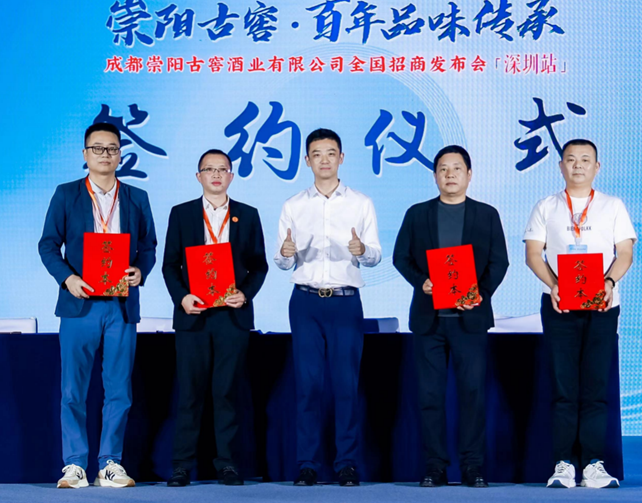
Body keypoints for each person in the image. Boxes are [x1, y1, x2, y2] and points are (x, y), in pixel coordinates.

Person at [39, 122, 157, 489]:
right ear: (85, 154)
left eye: (112, 148)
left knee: (119, 389)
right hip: (80, 304)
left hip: (121, 305)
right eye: (98, 148)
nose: (105, 154)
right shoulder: (66, 194)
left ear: (120, 154)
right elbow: (48, 244)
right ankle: (74, 464)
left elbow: (149, 245)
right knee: (73, 390)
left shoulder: (137, 197)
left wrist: (141, 270)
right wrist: (67, 278)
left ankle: (110, 463)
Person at [393, 145, 509, 488]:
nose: (450, 175)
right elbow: (401, 257)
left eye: (457, 168)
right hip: (429, 321)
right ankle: (435, 466)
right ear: (435, 176)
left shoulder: (486, 214)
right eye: (443, 169)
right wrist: (422, 281)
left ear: (469, 175)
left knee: (472, 395)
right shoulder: (417, 214)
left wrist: (479, 294)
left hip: (469, 321)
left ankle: (473, 466)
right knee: (430, 396)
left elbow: (499, 262)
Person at [523, 139, 636, 489]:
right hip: (560, 304)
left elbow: (625, 252)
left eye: (585, 160)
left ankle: (593, 464)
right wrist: (554, 284)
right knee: (564, 387)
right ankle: (562, 464)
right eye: (570, 159)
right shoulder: (546, 206)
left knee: (595, 386)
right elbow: (533, 254)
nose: (578, 165)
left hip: (602, 305)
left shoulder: (613, 206)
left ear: (597, 167)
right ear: (561, 166)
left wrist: (609, 282)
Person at [274, 128, 381, 487]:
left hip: (345, 303)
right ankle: (307, 464)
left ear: (341, 158)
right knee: (308, 386)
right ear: (307, 160)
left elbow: (375, 255)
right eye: (317, 154)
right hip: (305, 302)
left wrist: (362, 251)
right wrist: (286, 254)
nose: (324, 160)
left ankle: (346, 463)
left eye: (331, 153)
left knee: (346, 386)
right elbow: (282, 260)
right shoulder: (293, 205)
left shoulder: (361, 203)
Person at [162, 149, 268, 487]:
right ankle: (182, 465)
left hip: (231, 317)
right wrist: (182, 297)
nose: (216, 175)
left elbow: (259, 266)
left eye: (222, 169)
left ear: (231, 176)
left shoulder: (247, 215)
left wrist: (245, 294)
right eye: (209, 169)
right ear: (199, 177)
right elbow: (169, 265)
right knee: (190, 394)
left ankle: (228, 464)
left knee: (226, 393)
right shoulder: (182, 214)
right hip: (193, 315)